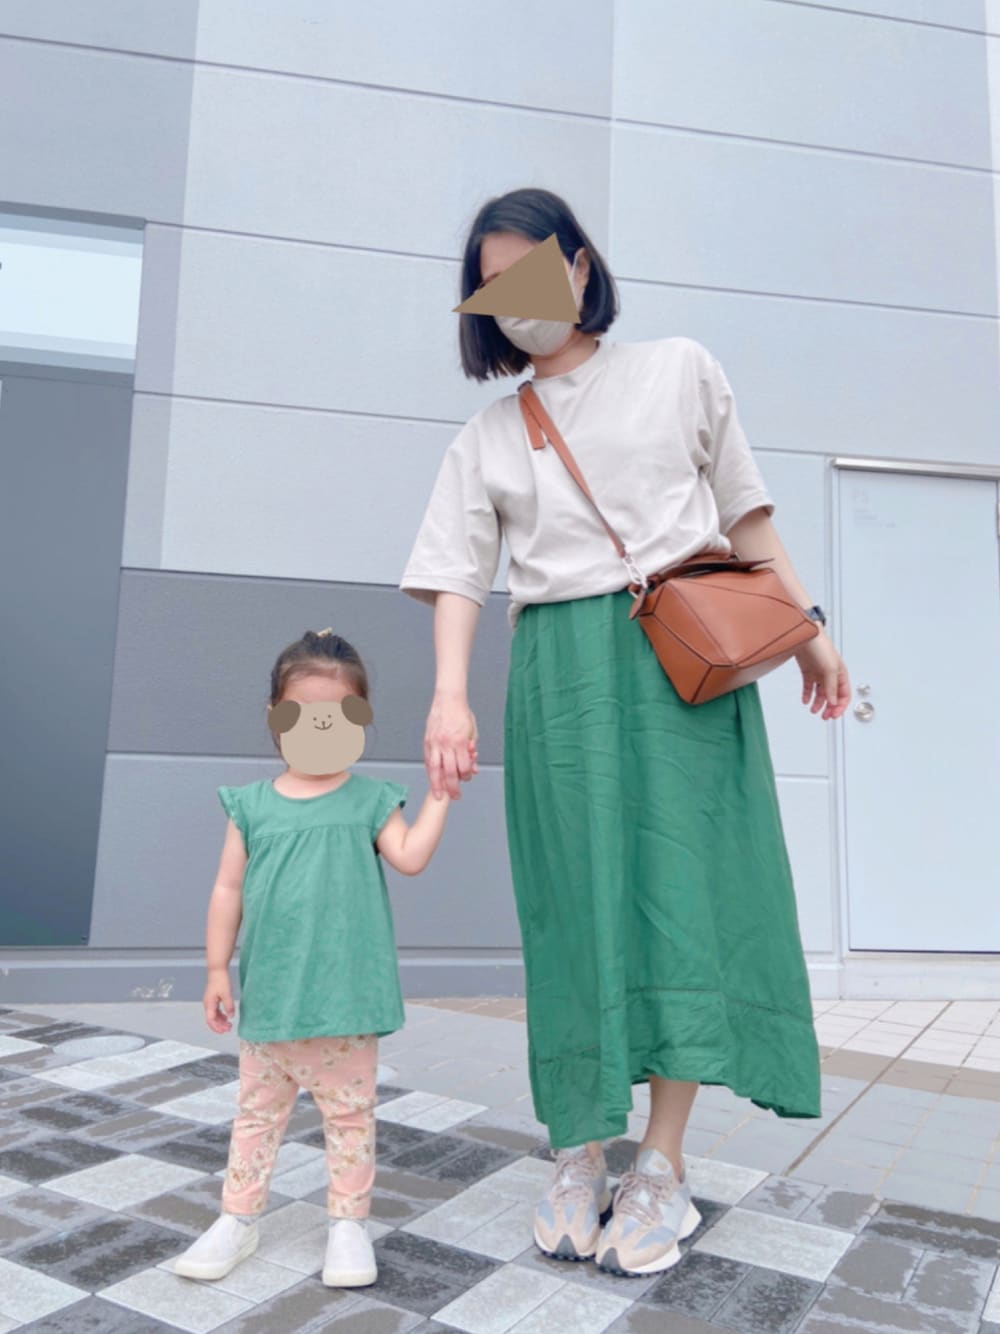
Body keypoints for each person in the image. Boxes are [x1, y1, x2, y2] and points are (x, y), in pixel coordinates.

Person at [400, 188, 851, 1278]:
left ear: (579, 264)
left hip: (680, 659)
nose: (514, 302)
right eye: (491, 288)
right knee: (575, 906)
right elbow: (458, 574)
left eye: (529, 273)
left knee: (683, 898)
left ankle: (661, 1160)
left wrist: (809, 634)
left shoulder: (678, 369)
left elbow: (745, 513)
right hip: (558, 678)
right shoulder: (488, 434)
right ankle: (578, 1146)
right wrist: (449, 695)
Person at [172, 629, 455, 1289]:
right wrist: (215, 969)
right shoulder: (250, 806)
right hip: (272, 997)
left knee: (350, 1117)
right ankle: (238, 1217)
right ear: (276, 717)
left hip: (345, 1000)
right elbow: (227, 889)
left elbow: (411, 856)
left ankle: (348, 1225)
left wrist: (441, 793)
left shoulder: (370, 800)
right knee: (255, 1116)